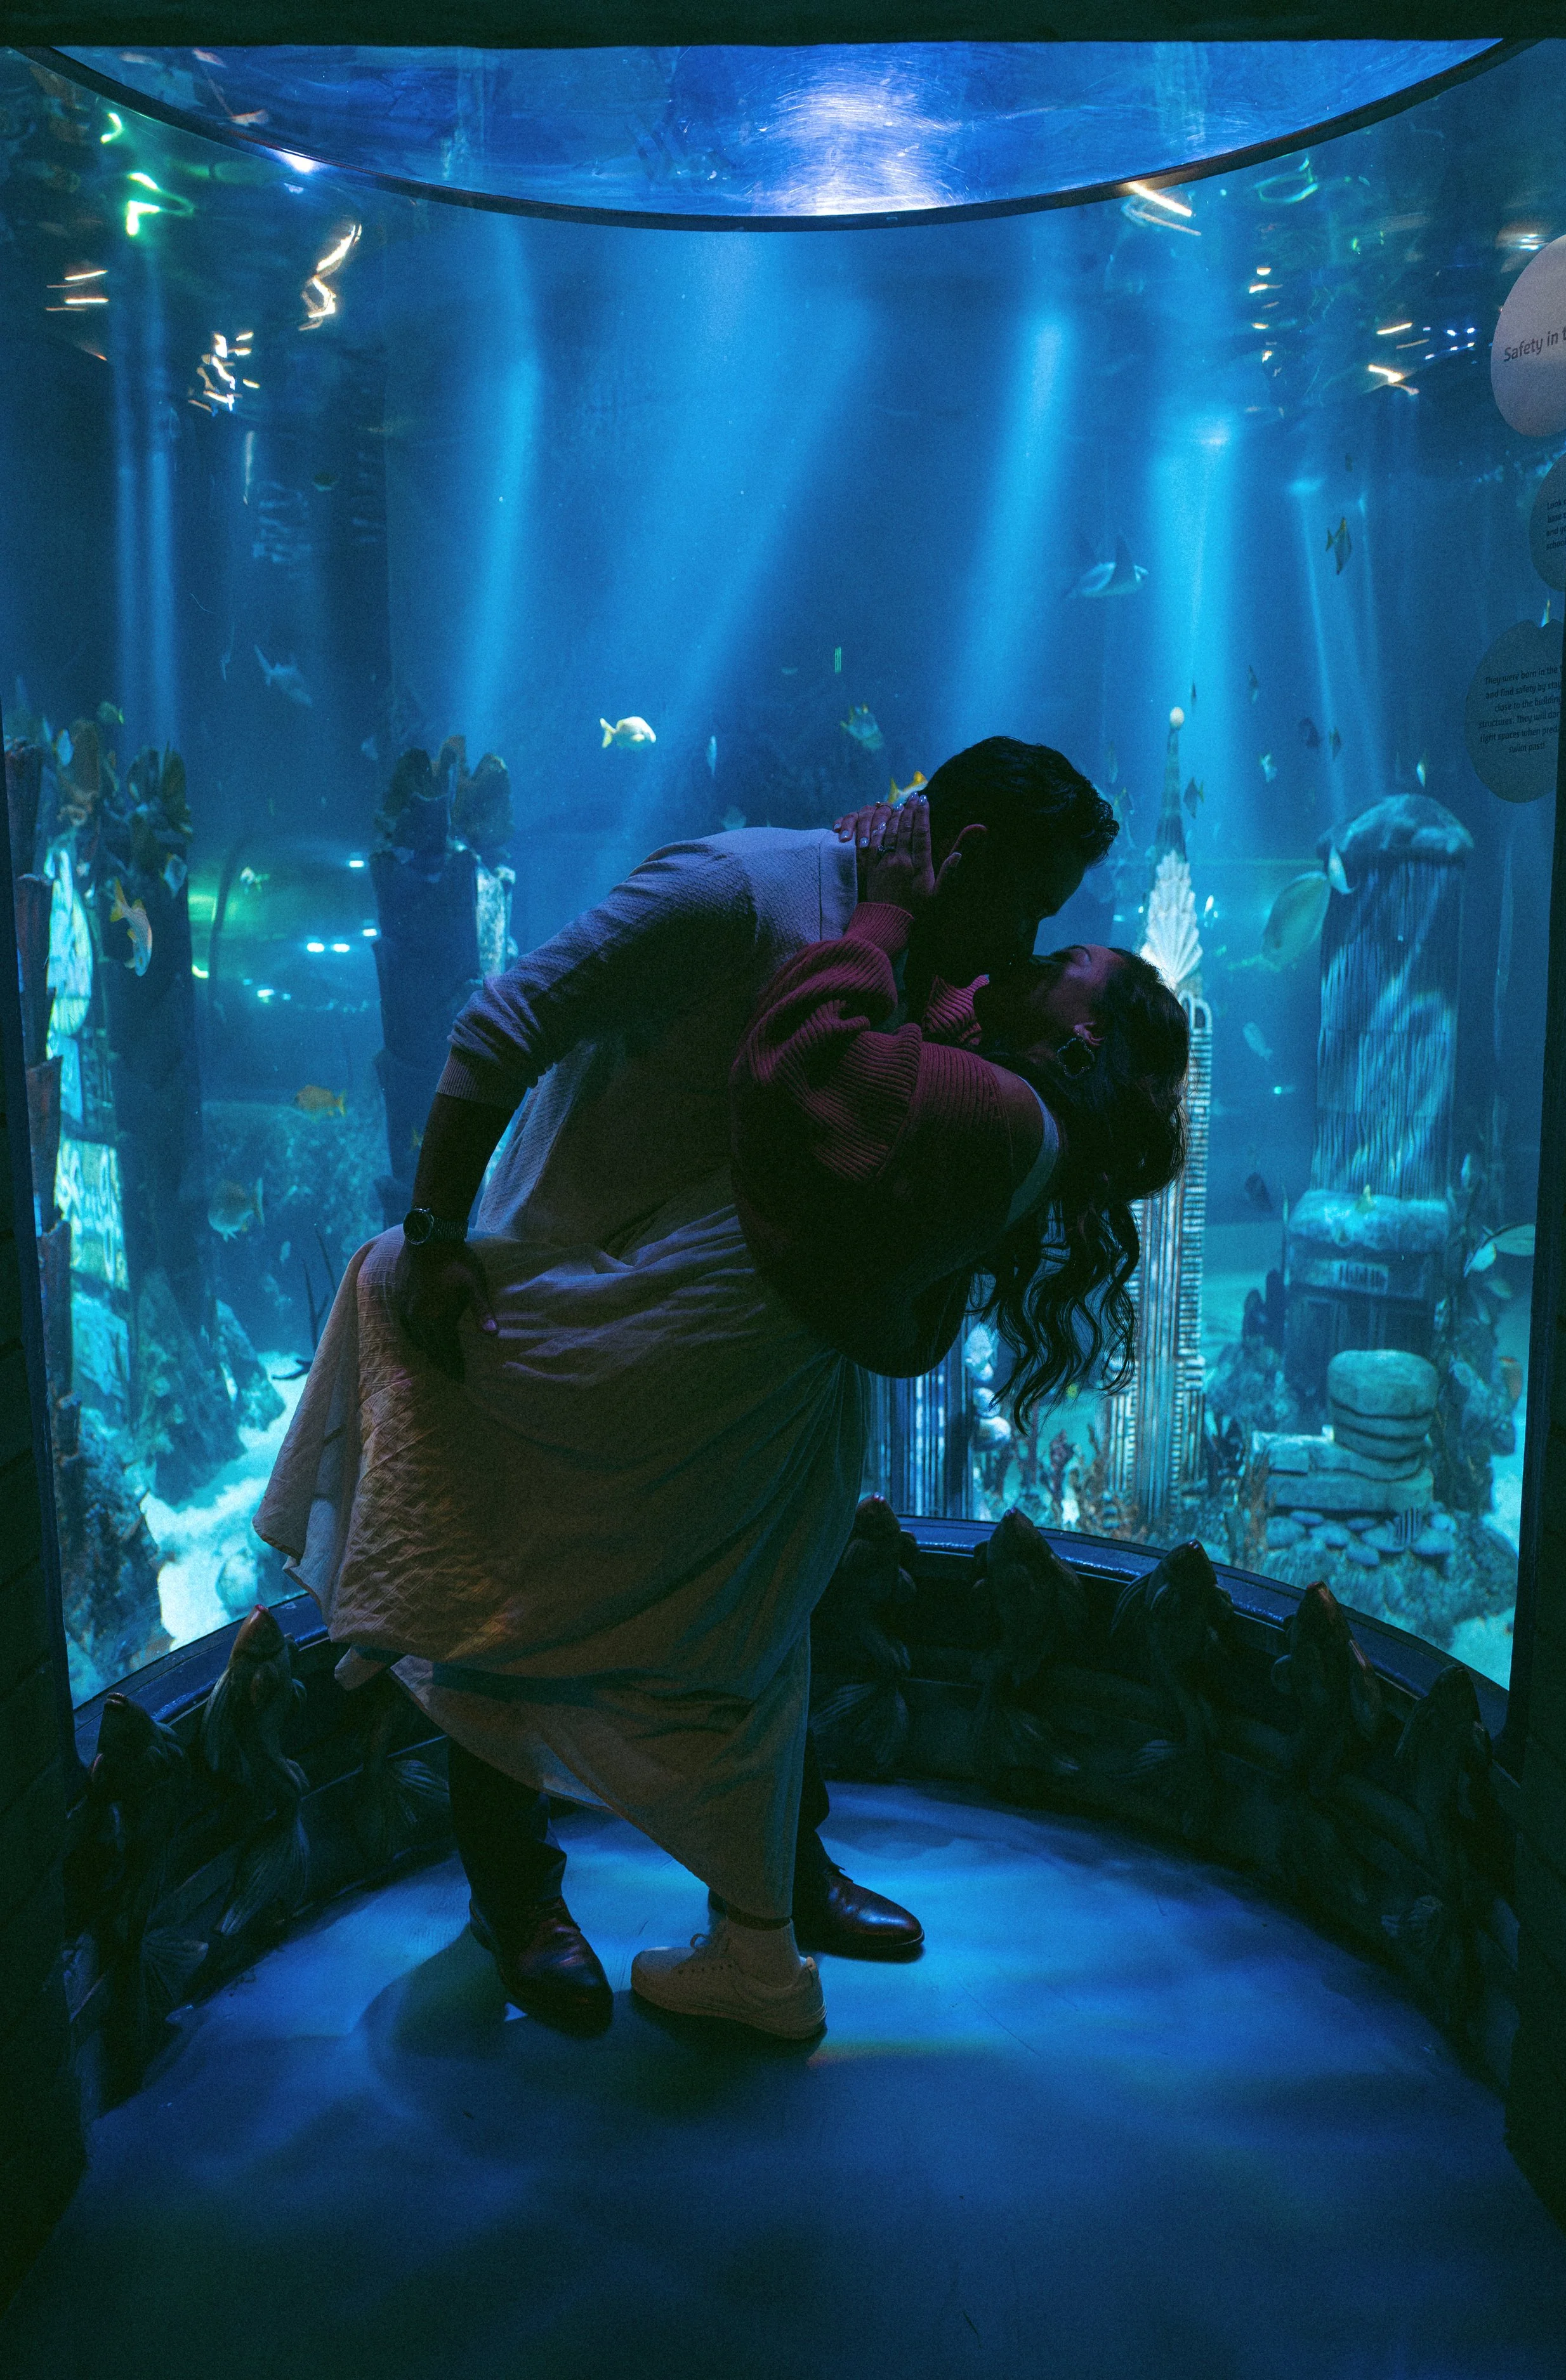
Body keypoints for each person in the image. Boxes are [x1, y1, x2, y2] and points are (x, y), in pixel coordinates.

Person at [254, 741, 1133, 2037]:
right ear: (971, 855)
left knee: (766, 1601)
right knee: (500, 1590)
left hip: (731, 1341)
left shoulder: (920, 949)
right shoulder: (735, 894)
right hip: (566, 1297)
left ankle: (778, 1874)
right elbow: (506, 1016)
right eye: (1027, 903)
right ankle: (517, 1898)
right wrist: (438, 1232)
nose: (1026, 939)